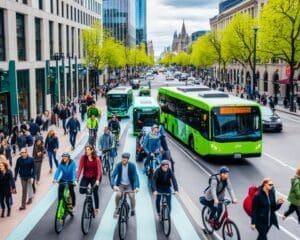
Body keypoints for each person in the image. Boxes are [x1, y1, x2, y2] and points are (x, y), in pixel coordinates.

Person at [111, 153, 140, 217]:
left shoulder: (132, 166)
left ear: (128, 160)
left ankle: (132, 209)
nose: (123, 160)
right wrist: (114, 185)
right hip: (121, 184)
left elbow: (135, 176)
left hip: (129, 185)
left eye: (125, 159)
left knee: (132, 196)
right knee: (118, 195)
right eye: (122, 159)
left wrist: (137, 186)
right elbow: (113, 176)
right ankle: (117, 208)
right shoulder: (118, 165)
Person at [77, 145, 102, 214]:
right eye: (86, 149)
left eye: (88, 150)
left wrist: (97, 180)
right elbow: (80, 169)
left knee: (95, 191)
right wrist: (77, 179)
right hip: (86, 176)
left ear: (92, 151)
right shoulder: (83, 157)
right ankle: (88, 193)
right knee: (81, 190)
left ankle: (96, 208)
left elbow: (99, 171)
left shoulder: (96, 159)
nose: (87, 151)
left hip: (95, 176)